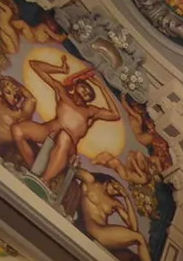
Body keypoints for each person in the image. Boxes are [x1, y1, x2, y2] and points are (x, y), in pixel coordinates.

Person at [11, 55, 120, 185]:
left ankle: (44, 181)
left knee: (64, 136)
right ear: (76, 85)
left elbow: (115, 114)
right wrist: (60, 69)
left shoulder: (91, 111)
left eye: (90, 93)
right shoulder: (63, 93)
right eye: (84, 87)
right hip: (48, 131)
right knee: (17, 129)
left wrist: (102, 88)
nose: (86, 91)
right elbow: (35, 65)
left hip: (68, 145)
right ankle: (32, 170)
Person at [73, 169, 152, 261]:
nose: (115, 192)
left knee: (139, 238)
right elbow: (74, 169)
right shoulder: (91, 182)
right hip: (93, 229)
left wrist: (126, 198)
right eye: (115, 187)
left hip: (104, 234)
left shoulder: (114, 202)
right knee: (139, 238)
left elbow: (133, 228)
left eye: (118, 192)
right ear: (108, 181)